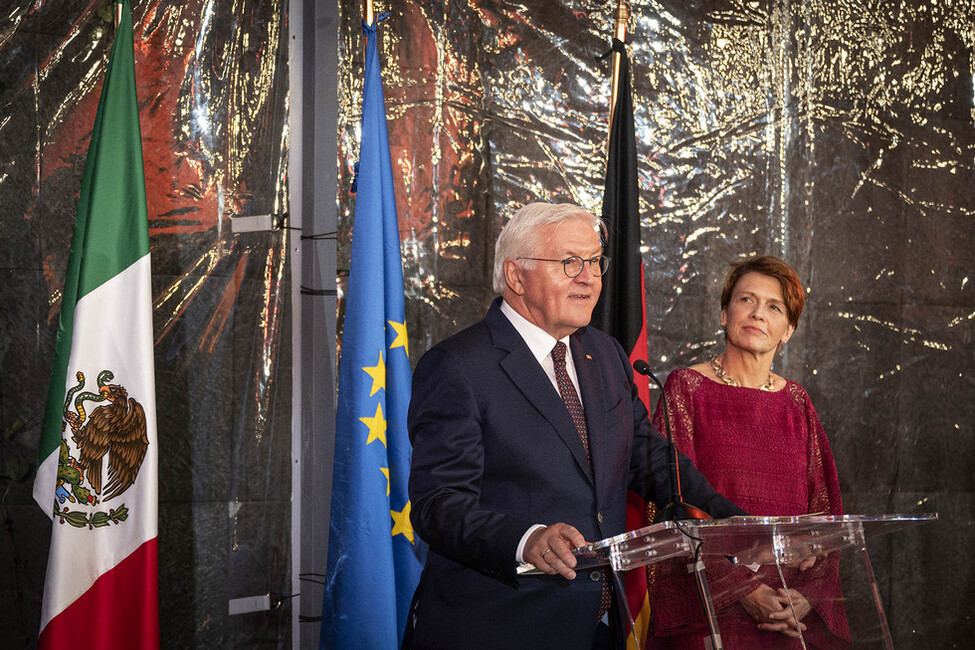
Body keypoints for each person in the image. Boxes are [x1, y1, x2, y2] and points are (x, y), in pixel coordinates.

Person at [404, 202, 746, 649]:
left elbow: (646, 456)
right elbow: (439, 504)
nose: (589, 277)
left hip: (596, 627)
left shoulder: (603, 354)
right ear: (516, 276)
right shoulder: (458, 367)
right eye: (570, 263)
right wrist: (526, 540)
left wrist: (728, 517)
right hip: (497, 626)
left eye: (594, 262)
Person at [646, 256, 849, 648]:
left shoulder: (797, 402)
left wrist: (806, 597)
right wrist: (744, 590)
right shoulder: (686, 389)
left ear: (788, 330)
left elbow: (827, 514)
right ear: (724, 314)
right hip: (712, 610)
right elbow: (674, 508)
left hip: (789, 616)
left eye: (774, 307)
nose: (758, 313)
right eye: (746, 300)